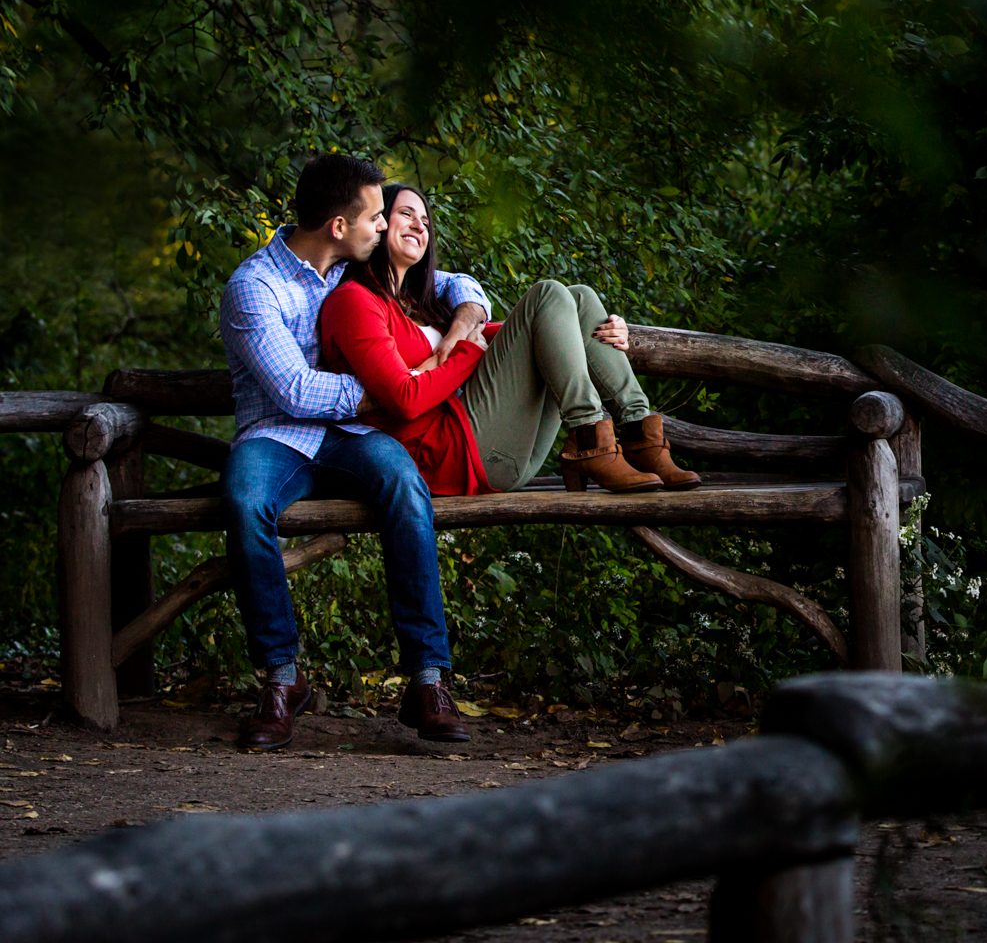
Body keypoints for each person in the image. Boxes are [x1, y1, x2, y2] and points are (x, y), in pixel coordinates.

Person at [219, 154, 486, 751]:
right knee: (243, 501)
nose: (383, 228)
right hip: (277, 436)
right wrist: (394, 386)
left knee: (403, 486)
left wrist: (467, 317)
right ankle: (282, 680)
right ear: (339, 227)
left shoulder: (355, 270)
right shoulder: (253, 286)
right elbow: (294, 390)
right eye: (374, 216)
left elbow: (455, 286)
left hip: (357, 439)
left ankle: (427, 680)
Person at [317, 183, 699, 499]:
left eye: (426, 220)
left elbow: (489, 341)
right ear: (379, 223)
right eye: (406, 214)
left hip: (494, 445)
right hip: (449, 458)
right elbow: (405, 399)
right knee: (548, 293)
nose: (419, 225)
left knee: (578, 298)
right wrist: (467, 349)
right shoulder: (354, 301)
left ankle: (640, 435)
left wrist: (580, 331)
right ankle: (589, 436)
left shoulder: (420, 304)